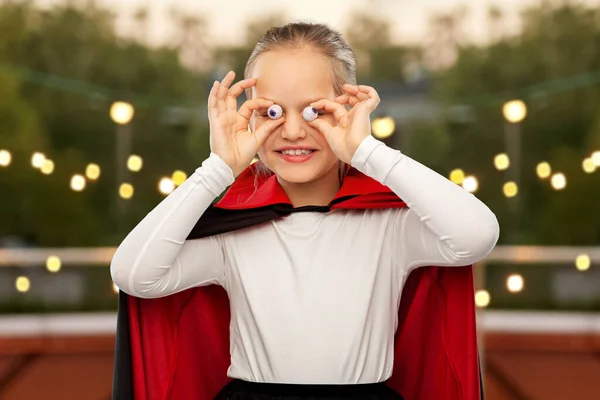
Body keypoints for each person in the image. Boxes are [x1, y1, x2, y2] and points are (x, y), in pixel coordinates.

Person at [110, 22, 499, 400]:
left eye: (314, 111)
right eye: (272, 112)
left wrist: (366, 150)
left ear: (347, 106)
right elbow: (135, 275)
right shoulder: (231, 236)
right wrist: (219, 167)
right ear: (249, 115)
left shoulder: (391, 227)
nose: (293, 131)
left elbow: (476, 236)